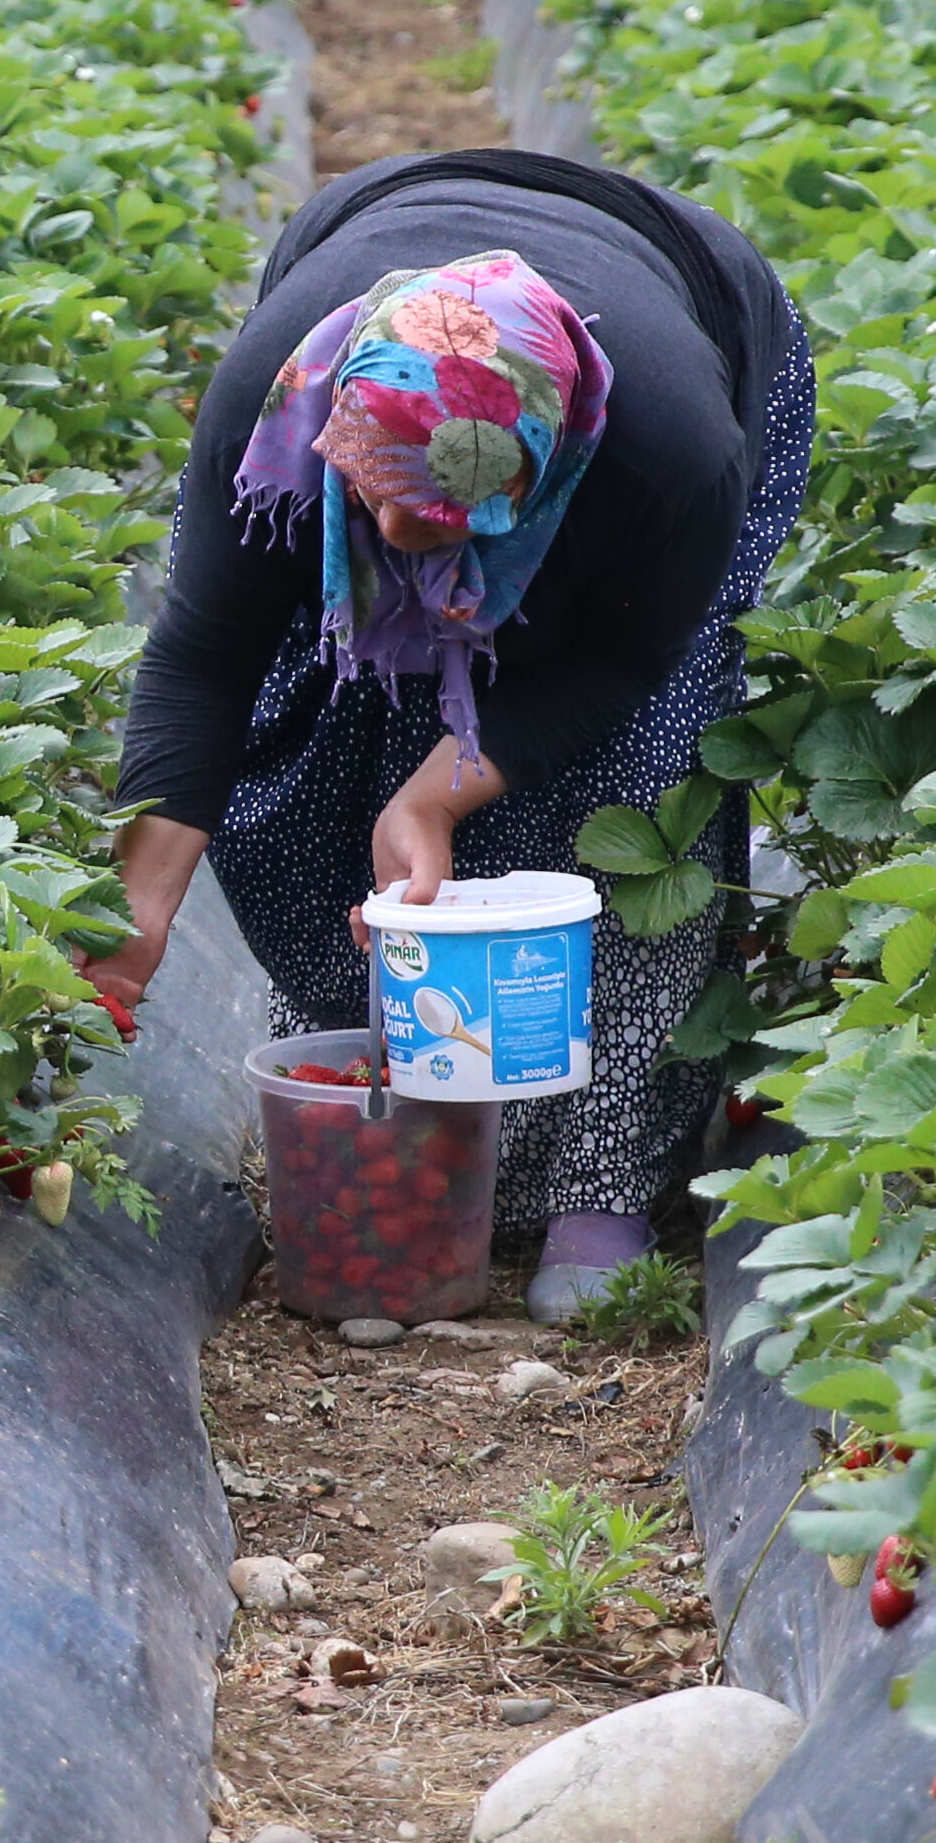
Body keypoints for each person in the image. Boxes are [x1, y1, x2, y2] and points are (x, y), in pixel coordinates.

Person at [82, 153, 812, 1323]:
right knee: (311, 727)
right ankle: (401, 1114)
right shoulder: (276, 410)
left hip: (691, 308)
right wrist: (140, 915)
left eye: (446, 521)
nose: (401, 536)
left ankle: (602, 1183)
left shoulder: (670, 454)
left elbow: (623, 662)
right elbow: (204, 661)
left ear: (542, 473)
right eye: (378, 501)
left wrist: (433, 797)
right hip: (379, 230)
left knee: (640, 776)